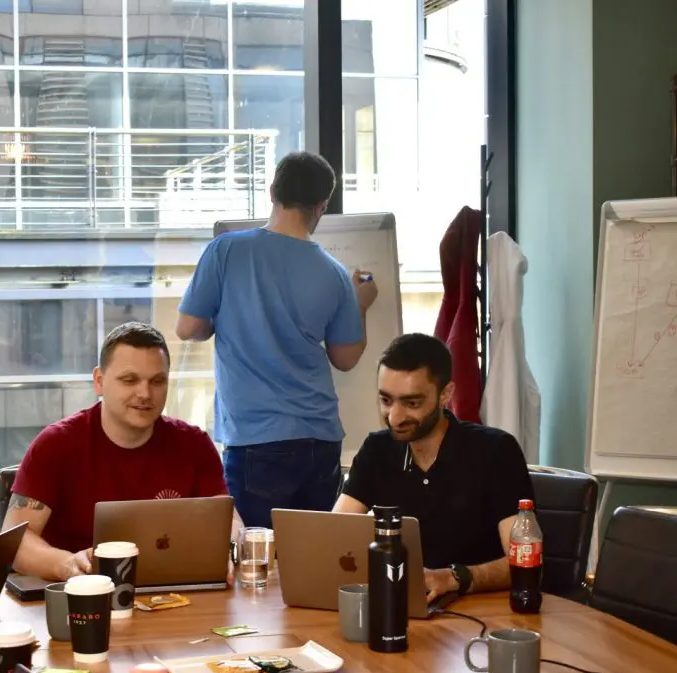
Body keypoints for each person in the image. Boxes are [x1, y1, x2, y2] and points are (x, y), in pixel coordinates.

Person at [175, 150, 379, 529]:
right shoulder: (334, 274)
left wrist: (224, 317)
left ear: (272, 191)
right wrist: (361, 303)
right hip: (320, 438)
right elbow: (346, 357)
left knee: (256, 560)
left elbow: (188, 328)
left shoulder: (227, 250)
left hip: (256, 440)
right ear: (322, 206)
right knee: (312, 557)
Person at [4, 322, 233, 582]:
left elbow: (227, 524)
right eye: (129, 380)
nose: (145, 394)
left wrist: (233, 550)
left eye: (157, 381)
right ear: (99, 381)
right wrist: (67, 564)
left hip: (173, 596)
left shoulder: (194, 444)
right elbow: (14, 541)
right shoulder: (55, 444)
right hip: (76, 597)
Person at [333, 333, 535, 603]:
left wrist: (453, 578)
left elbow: (523, 561)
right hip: (403, 604)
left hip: (480, 611)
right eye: (386, 400)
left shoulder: (495, 451)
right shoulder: (377, 449)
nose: (395, 417)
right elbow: (334, 534)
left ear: (445, 394)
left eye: (411, 403)